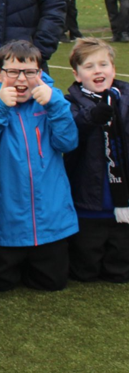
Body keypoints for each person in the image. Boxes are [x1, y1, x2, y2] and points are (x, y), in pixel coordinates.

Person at [0, 40, 78, 292]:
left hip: (49, 221)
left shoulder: (53, 101)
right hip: (1, 220)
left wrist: (55, 105)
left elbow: (68, 142)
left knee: (52, 283)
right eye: (13, 72)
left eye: (29, 72)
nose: (22, 80)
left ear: (40, 74)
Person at [64, 38, 129, 282]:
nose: (98, 70)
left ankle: (117, 265)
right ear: (78, 75)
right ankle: (85, 264)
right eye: (89, 66)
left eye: (103, 64)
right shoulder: (70, 102)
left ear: (113, 68)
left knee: (120, 258)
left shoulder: (125, 97)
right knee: (86, 261)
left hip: (122, 192)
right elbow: (69, 132)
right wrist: (93, 116)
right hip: (89, 190)